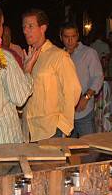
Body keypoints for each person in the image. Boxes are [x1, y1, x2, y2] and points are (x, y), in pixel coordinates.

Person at [22, 8, 81, 141]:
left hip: (51, 131)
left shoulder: (58, 56)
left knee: (53, 163)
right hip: (29, 131)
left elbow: (73, 90)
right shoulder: (27, 57)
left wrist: (63, 127)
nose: (25, 31)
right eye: (24, 27)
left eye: (30, 26)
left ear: (43, 28)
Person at [0, 8, 33, 144]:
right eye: (2, 24)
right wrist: (27, 72)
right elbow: (20, 98)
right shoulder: (3, 57)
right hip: (4, 138)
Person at [60, 22, 104, 137]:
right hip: (63, 112)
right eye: (66, 37)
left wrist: (86, 97)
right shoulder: (58, 55)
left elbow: (98, 77)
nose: (70, 41)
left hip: (83, 110)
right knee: (64, 149)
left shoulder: (89, 53)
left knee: (90, 148)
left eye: (73, 37)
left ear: (78, 36)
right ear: (61, 37)